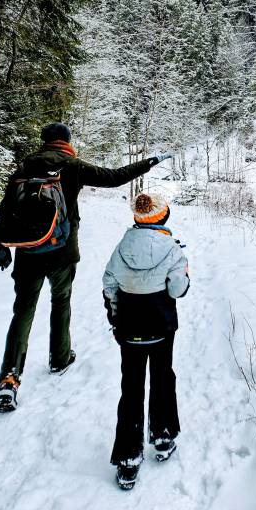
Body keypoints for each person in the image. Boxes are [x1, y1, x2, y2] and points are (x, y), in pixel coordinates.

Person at [0, 122, 171, 412]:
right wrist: (149, 162)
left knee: (23, 310)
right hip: (62, 251)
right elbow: (114, 178)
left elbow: (6, 206)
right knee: (60, 301)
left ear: (44, 141)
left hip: (27, 252)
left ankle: (9, 379)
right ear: (66, 141)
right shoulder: (72, 166)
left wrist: (1, 245)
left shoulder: (25, 167)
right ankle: (60, 357)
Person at [102, 191, 189, 490]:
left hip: (129, 329)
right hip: (162, 327)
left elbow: (109, 283)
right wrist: (184, 275)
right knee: (163, 378)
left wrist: (115, 315)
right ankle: (163, 438)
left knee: (131, 388)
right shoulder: (172, 249)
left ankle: (128, 460)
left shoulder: (122, 246)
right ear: (162, 216)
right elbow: (177, 290)